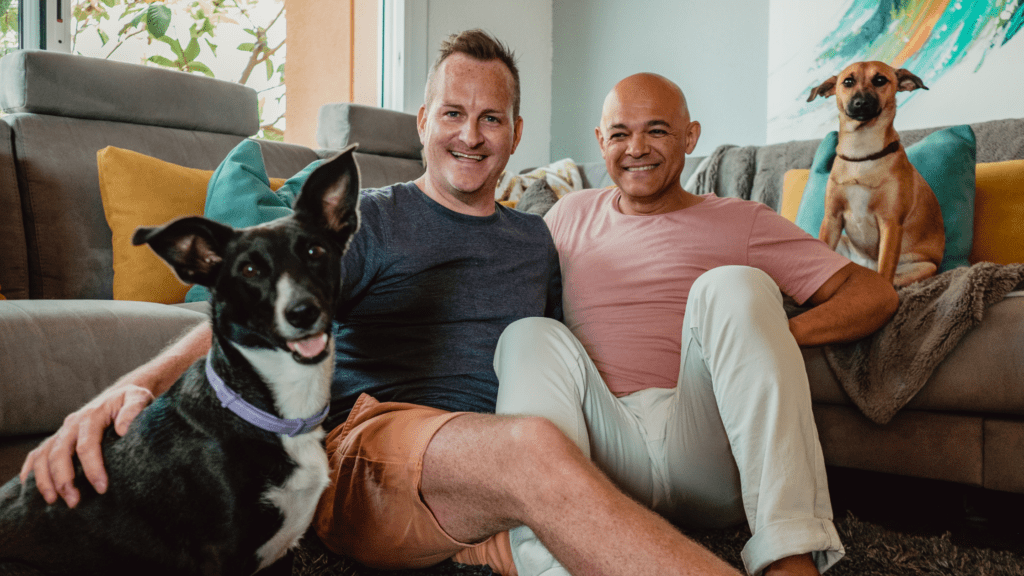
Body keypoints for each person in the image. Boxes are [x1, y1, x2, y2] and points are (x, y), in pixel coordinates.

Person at [19, 31, 749, 576]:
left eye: (491, 118)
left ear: (516, 135)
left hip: (483, 464)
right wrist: (132, 387)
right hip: (375, 444)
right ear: (422, 122)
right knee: (534, 452)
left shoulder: (536, 238)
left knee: (565, 486)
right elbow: (254, 318)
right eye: (453, 113)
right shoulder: (369, 221)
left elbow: (568, 354)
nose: (471, 135)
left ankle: (496, 539)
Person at [492, 72, 900, 576]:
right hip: (604, 456)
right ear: (600, 142)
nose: (636, 148)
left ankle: (790, 553)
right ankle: (553, 564)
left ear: (690, 137)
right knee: (527, 335)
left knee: (730, 284)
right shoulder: (568, 214)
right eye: (619, 134)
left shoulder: (743, 220)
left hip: (707, 448)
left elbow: (873, 294)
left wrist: (775, 337)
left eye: (657, 131)